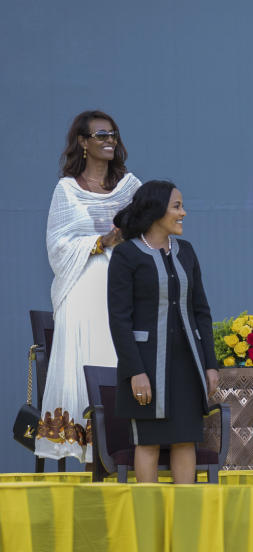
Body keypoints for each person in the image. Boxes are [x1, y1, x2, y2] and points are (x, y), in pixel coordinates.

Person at [37, 110, 141, 463]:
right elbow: (58, 246)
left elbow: (147, 233)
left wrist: (124, 240)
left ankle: (119, 450)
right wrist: (103, 240)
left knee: (118, 358)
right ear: (82, 142)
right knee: (86, 364)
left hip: (121, 290)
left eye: (112, 134)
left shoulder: (131, 187)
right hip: (82, 290)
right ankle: (84, 455)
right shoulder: (66, 190)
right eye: (101, 135)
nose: (109, 141)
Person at [107, 181, 219, 483]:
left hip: (187, 365)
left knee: (186, 440)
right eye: (177, 206)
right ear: (156, 211)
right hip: (145, 366)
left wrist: (210, 364)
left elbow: (201, 313)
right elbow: (119, 320)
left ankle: (185, 523)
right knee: (148, 442)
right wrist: (135, 371)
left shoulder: (187, 252)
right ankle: (149, 523)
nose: (184, 212)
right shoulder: (126, 255)